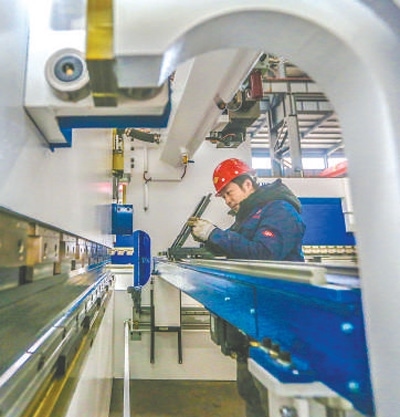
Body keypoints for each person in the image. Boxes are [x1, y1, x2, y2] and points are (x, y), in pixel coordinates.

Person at [188, 157, 305, 417]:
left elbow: (264, 254)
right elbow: (235, 246)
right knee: (249, 387)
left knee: (269, 391)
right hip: (256, 314)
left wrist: (213, 233)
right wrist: (207, 239)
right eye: (223, 197)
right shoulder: (249, 214)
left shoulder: (279, 210)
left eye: (229, 193)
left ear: (248, 184)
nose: (228, 201)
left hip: (278, 315)